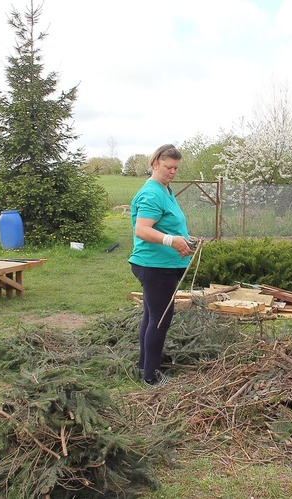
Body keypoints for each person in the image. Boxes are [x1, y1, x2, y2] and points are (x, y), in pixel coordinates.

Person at [129, 144, 194, 388]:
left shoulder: (165, 189)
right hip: (155, 266)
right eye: (168, 167)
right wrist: (171, 240)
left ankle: (144, 365)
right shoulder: (153, 193)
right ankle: (152, 377)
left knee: (151, 316)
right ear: (155, 163)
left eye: (176, 168)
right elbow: (142, 229)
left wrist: (183, 239)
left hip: (160, 264)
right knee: (160, 320)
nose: (173, 172)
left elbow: (166, 224)